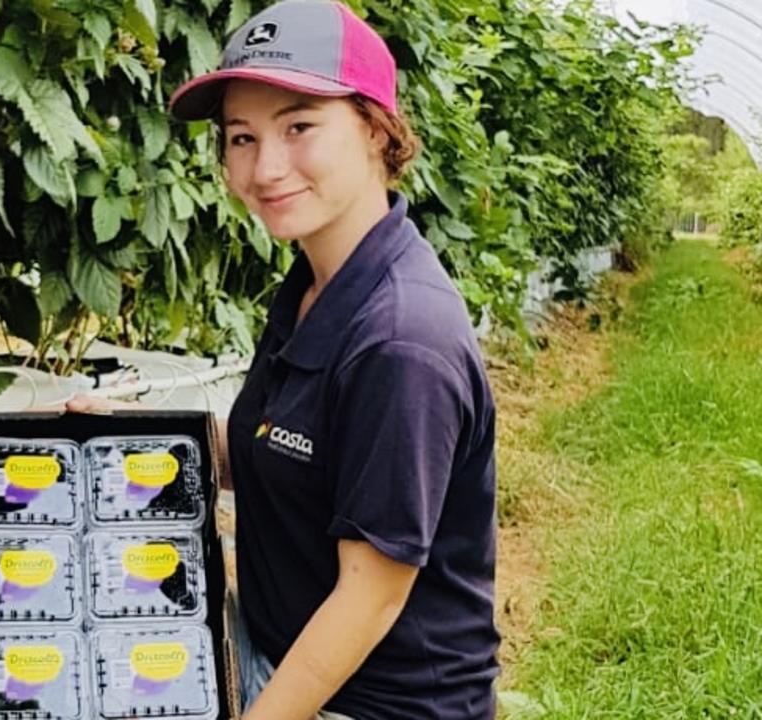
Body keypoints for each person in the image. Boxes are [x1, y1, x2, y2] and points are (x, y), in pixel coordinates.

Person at [68, 1, 500, 718]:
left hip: (366, 701)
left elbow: (371, 595)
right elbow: (288, 453)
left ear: (374, 129)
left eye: (300, 126)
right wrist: (137, 436)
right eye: (242, 137)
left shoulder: (400, 341)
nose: (265, 167)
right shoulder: (315, 286)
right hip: (276, 653)